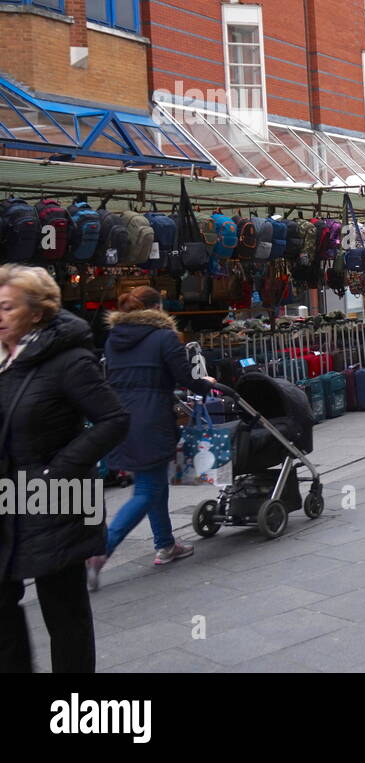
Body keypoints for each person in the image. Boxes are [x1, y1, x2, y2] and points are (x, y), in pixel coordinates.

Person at [0, 264, 128, 673]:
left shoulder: (69, 360)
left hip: (57, 497)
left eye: (6, 308)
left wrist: (57, 472)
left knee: (64, 610)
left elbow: (114, 419)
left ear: (37, 313)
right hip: (8, 497)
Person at [86, 287, 215, 591]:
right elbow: (185, 378)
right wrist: (206, 383)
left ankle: (166, 545)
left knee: (152, 482)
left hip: (120, 416)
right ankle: (101, 549)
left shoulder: (114, 339)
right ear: (157, 308)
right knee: (146, 489)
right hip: (152, 417)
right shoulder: (164, 337)